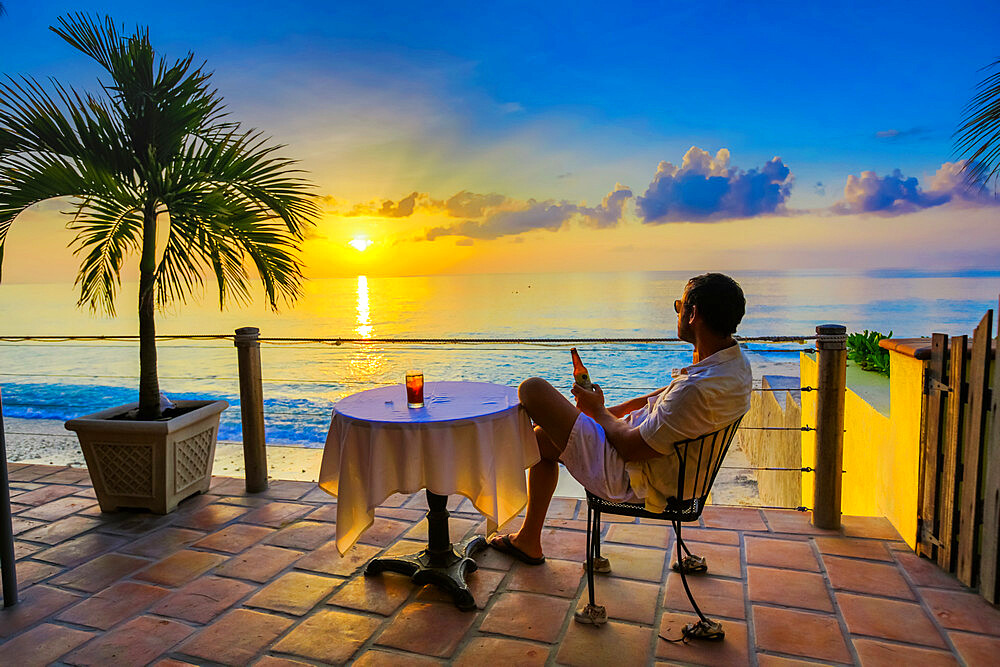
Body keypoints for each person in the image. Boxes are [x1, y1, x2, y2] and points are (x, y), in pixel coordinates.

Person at [488, 272, 752, 567]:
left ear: (693, 314)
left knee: (532, 389)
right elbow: (668, 393)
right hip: (668, 467)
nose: (677, 312)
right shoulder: (732, 365)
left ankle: (486, 466)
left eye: (679, 306)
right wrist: (608, 411)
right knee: (540, 440)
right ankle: (528, 540)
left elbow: (630, 447)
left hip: (632, 476)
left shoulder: (696, 391)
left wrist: (598, 412)